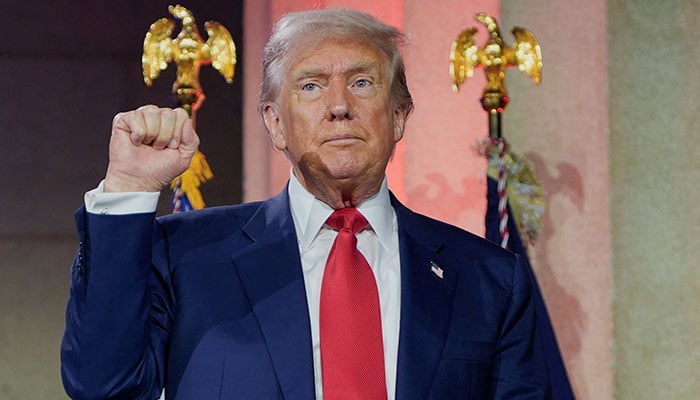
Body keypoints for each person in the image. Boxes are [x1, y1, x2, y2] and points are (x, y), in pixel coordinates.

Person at [61, 8, 552, 400]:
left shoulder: (489, 279)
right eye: (311, 86)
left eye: (362, 83)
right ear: (275, 124)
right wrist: (128, 186)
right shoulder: (185, 257)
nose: (339, 106)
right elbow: (103, 385)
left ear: (399, 115)